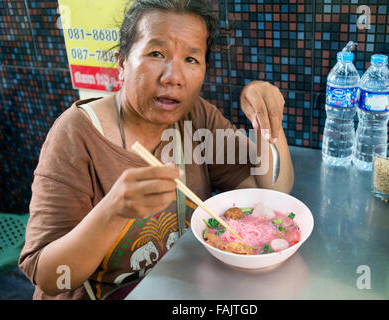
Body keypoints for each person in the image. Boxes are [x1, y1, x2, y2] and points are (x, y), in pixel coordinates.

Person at [19, 0, 294, 300]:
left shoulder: (196, 117)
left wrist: (265, 118)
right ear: (121, 64)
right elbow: (49, 277)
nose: (173, 76)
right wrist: (112, 212)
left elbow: (273, 191)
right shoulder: (75, 135)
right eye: (156, 53)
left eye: (191, 59)